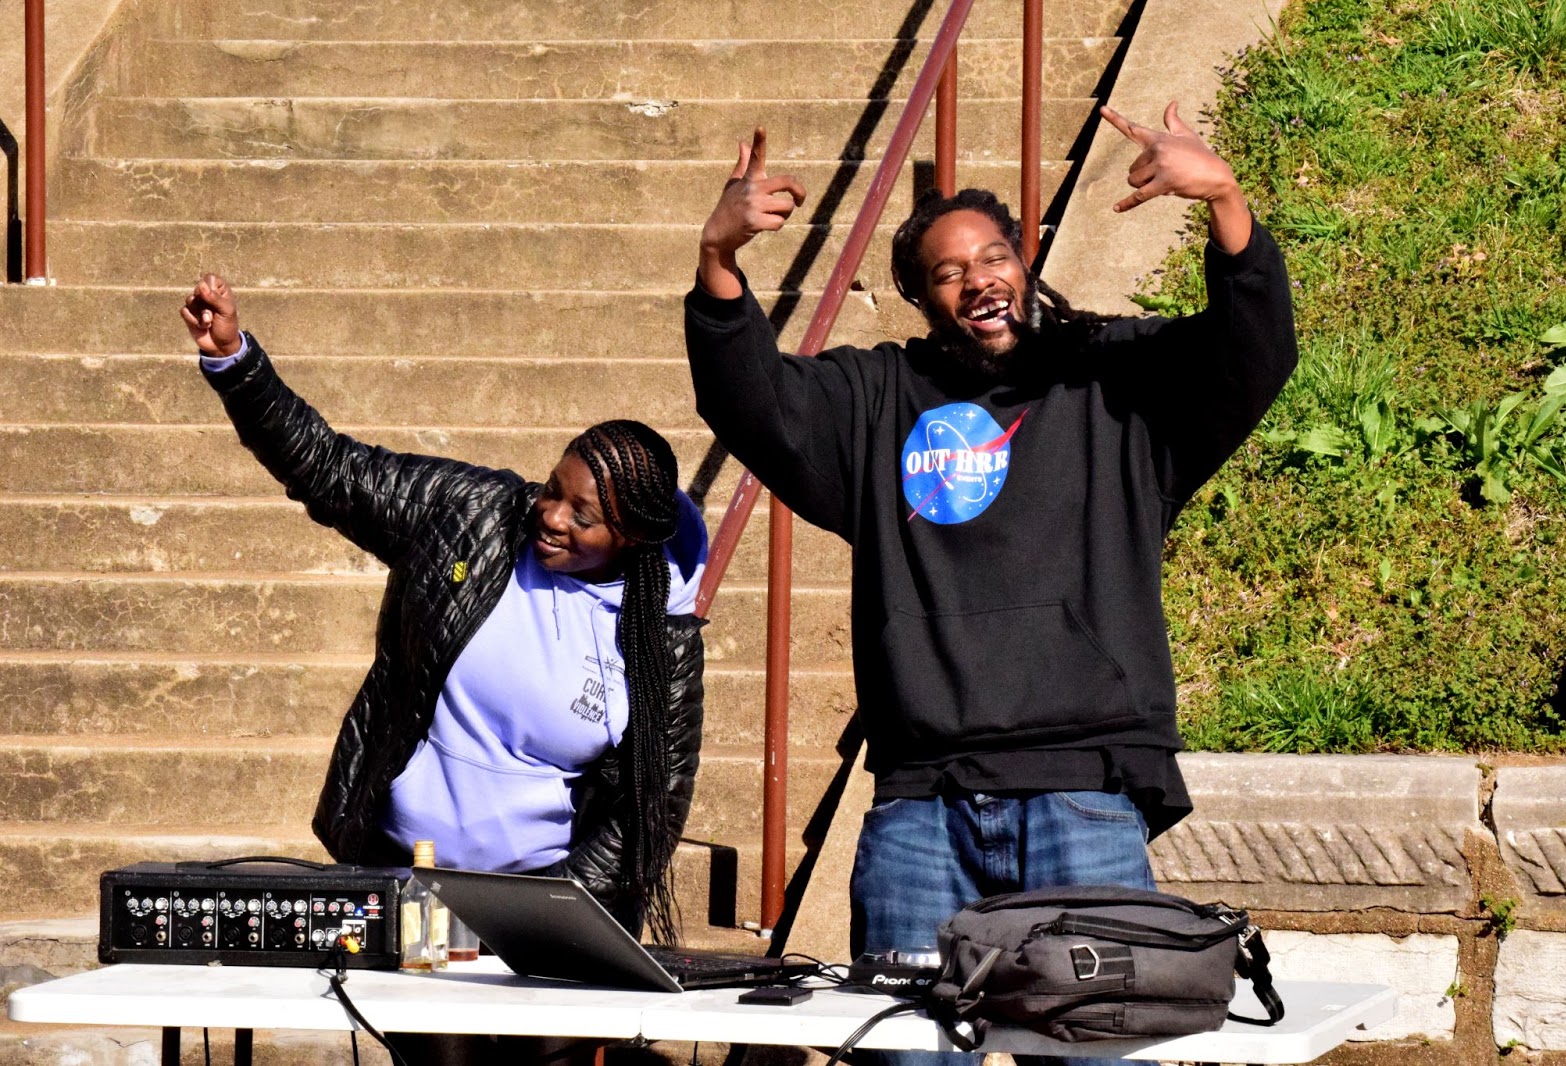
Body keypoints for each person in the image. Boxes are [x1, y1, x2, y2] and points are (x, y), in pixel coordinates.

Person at [685, 104, 1296, 1066]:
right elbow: (751, 400)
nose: (979, 281)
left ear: (1026, 259)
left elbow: (1250, 355)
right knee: (905, 1058)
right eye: (948, 271)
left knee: (1094, 1055)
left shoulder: (1115, 381)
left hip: (1082, 797)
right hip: (921, 807)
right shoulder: (877, 400)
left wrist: (1224, 199)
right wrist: (720, 266)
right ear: (923, 298)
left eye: (993, 257)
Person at [183, 276, 709, 1064]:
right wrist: (236, 363)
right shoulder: (473, 517)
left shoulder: (657, 632)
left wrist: (554, 910)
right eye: (554, 490)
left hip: (557, 905)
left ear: (631, 537)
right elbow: (332, 471)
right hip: (420, 888)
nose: (551, 516)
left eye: (582, 515)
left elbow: (651, 809)